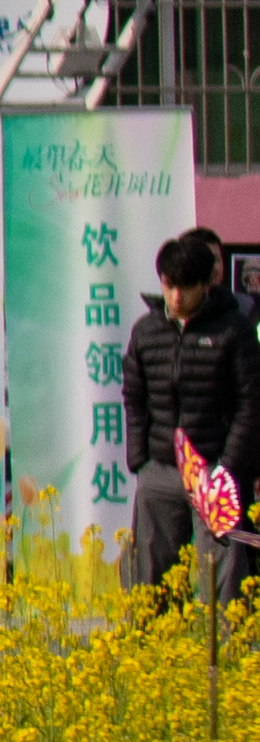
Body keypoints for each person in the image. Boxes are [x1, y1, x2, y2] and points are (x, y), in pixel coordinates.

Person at [123, 229, 253, 607]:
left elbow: (250, 404)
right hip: (160, 468)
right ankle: (147, 647)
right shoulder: (146, 332)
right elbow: (134, 396)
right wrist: (139, 460)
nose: (176, 297)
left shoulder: (233, 331)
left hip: (213, 467)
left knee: (222, 572)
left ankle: (224, 655)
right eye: (168, 286)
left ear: (205, 286)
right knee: (150, 573)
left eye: (186, 288)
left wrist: (227, 467)